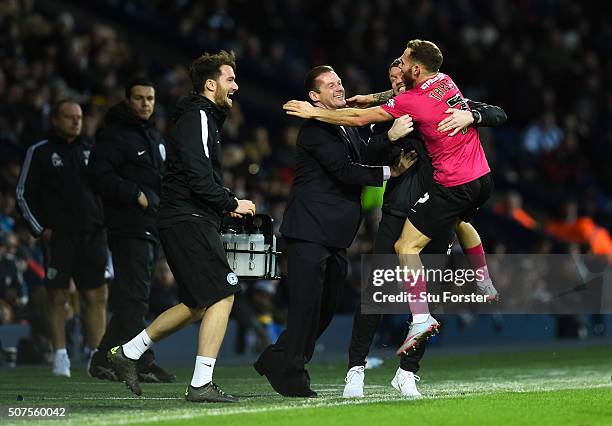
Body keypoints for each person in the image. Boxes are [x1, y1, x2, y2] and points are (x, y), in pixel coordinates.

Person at [284, 39, 498, 355]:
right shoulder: (445, 81)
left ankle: (422, 318)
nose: (398, 67)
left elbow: (358, 119)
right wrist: (373, 98)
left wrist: (313, 112)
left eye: (403, 61)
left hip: (450, 184)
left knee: (405, 247)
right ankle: (482, 280)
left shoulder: (411, 102)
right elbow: (399, 97)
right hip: (481, 178)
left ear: (415, 69)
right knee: (460, 220)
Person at [343, 59, 507, 398]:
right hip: (398, 210)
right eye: (391, 82)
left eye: (400, 79)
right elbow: (367, 153)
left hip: (438, 209)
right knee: (377, 293)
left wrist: (471, 115)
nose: (397, 85)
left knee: (429, 299)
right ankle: (355, 371)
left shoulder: (438, 104)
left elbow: (497, 113)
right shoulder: (389, 114)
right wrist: (390, 137)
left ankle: (407, 373)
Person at [254, 65, 416, 397]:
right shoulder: (315, 130)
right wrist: (392, 172)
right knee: (306, 306)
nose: (338, 87)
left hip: (334, 236)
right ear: (314, 97)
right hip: (310, 231)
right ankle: (292, 375)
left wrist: (389, 138)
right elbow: (345, 170)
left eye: (339, 81)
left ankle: (276, 358)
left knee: (325, 309)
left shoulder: (345, 127)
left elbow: (364, 152)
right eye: (330, 85)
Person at [106, 51, 255, 403]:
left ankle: (128, 353)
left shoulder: (201, 118)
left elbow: (198, 175)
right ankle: (201, 383)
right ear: (210, 84)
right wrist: (231, 202)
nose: (235, 86)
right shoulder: (200, 116)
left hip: (184, 216)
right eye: (229, 79)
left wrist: (222, 201)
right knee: (223, 292)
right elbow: (197, 174)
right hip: (186, 217)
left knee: (197, 303)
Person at [87, 77, 174, 382]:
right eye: (139, 98)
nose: (145, 104)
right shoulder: (115, 136)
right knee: (135, 297)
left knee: (132, 298)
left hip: (150, 226)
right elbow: (97, 175)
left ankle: (102, 359)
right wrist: (132, 193)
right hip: (127, 226)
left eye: (150, 99)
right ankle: (142, 360)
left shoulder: (154, 138)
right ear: (127, 100)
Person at [16, 99, 108, 377]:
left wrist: (106, 222)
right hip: (60, 237)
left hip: (93, 234)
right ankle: (60, 356)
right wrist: (40, 229)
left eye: (78, 117)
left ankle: (97, 356)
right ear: (55, 120)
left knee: (97, 296)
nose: (75, 121)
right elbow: (23, 193)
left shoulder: (92, 151)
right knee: (57, 296)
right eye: (69, 117)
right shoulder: (40, 151)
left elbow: (104, 191)